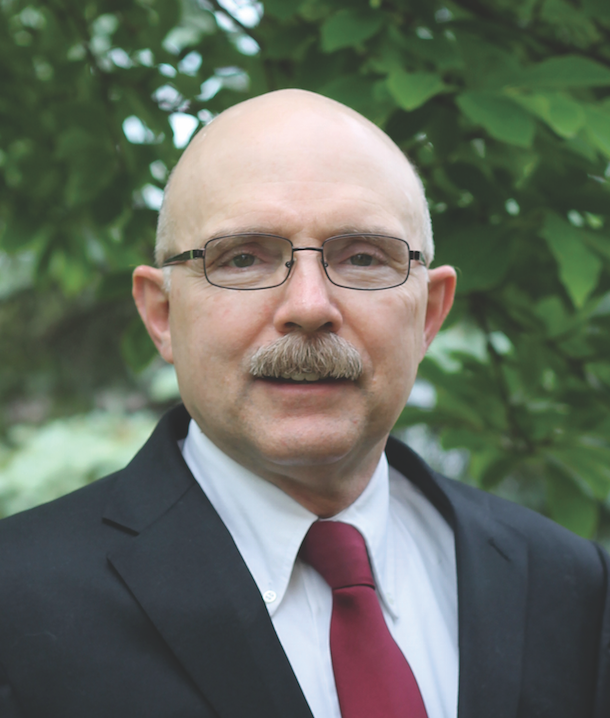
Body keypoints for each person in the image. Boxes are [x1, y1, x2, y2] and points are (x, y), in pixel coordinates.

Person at [0, 89, 608, 718]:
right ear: (162, 314)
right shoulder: (16, 604)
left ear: (429, 313)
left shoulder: (568, 585)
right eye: (243, 259)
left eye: (364, 258)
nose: (310, 307)